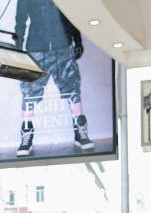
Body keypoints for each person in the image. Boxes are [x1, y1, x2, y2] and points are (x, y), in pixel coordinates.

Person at [14, 0, 94, 156]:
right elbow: (20, 19)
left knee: (72, 89)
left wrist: (77, 40)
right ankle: (26, 137)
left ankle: (80, 133)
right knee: (29, 93)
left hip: (62, 45)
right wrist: (18, 48)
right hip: (37, 47)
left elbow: (71, 14)